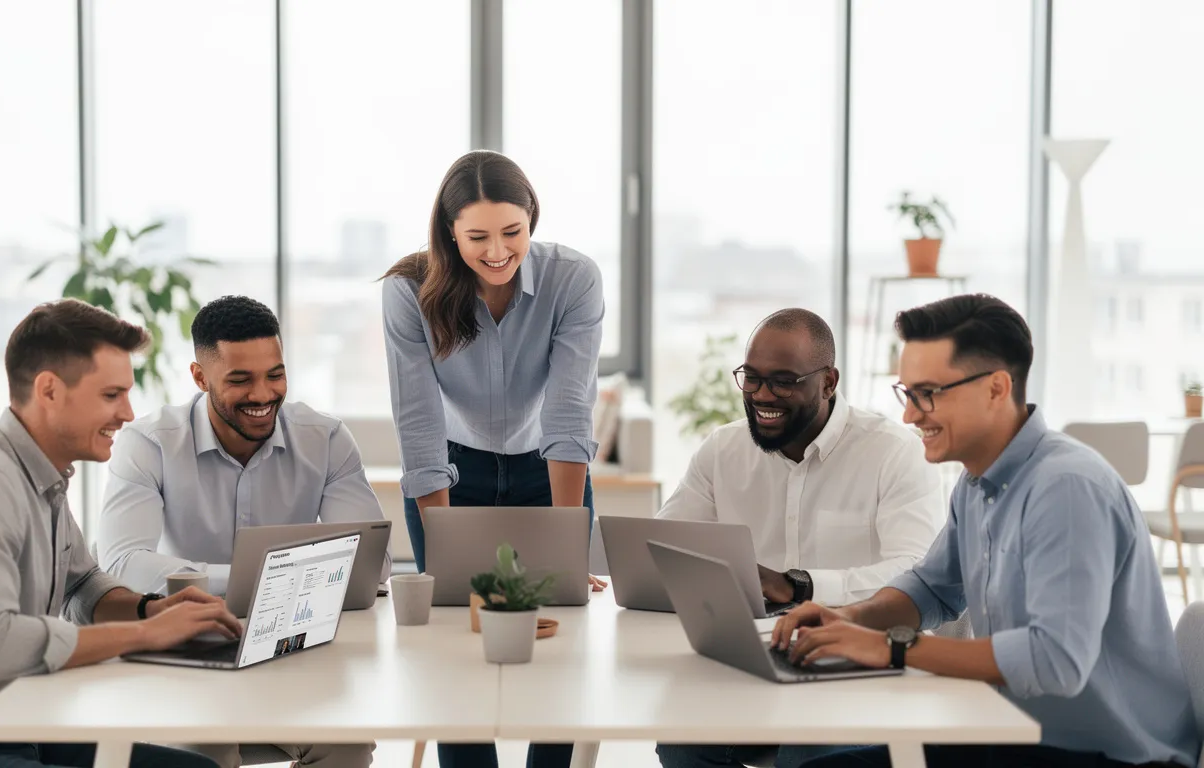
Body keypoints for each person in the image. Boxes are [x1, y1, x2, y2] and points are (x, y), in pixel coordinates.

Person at [772, 294, 1199, 768]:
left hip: (1112, 754)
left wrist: (890, 647)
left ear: (997, 388)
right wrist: (851, 618)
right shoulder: (977, 481)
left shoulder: (1067, 489)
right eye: (906, 393)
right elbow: (932, 588)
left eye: (927, 393)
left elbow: (1052, 660)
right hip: (1019, 731)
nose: (910, 415)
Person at [0, 299, 240, 768]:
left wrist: (150, 608)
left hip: (10, 723)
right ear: (49, 390)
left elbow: (82, 583)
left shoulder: (43, 475)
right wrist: (144, 633)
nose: (127, 412)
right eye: (111, 395)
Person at [381, 150, 603, 768]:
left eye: (513, 232)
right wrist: (446, 551)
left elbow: (567, 415)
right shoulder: (409, 291)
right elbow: (419, 425)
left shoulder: (573, 279)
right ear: (449, 232)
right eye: (477, 236)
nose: (498, 251)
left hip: (546, 470)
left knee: (560, 643)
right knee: (457, 643)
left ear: (532, 218)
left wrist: (565, 541)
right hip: (453, 471)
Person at [96, 295, 380, 768]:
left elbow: (369, 563)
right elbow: (123, 564)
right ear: (200, 378)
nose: (263, 394)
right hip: (188, 657)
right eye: (241, 379)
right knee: (204, 747)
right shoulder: (148, 444)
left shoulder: (325, 438)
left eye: (275, 374)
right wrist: (259, 577)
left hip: (293, 653)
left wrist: (248, 580)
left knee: (348, 745)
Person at [654, 309, 943, 768]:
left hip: (858, 668)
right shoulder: (722, 451)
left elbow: (916, 574)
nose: (762, 395)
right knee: (680, 740)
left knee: (806, 753)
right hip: (751, 661)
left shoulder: (893, 453)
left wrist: (799, 586)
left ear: (829, 381)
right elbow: (664, 548)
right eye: (752, 378)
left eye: (784, 381)